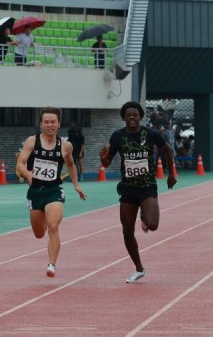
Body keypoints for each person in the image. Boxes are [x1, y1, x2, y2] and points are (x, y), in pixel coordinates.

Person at [100, 101, 176, 283]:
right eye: (128, 115)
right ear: (124, 118)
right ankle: (139, 268)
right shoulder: (117, 137)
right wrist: (103, 158)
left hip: (147, 186)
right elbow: (107, 163)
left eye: (135, 115)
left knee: (153, 224)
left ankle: (144, 213)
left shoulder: (151, 134)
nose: (132, 118)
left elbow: (167, 151)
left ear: (141, 117)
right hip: (127, 188)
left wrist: (171, 173)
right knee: (127, 231)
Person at [15, 107, 87, 277]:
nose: (50, 125)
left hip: (54, 191)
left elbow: (70, 164)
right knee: (39, 233)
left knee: (53, 226)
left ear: (59, 124)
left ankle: (52, 264)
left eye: (53, 122)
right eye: (46, 122)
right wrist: (27, 173)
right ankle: (46, 216)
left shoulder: (65, 146)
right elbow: (20, 163)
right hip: (35, 193)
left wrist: (76, 184)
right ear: (41, 124)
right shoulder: (32, 142)